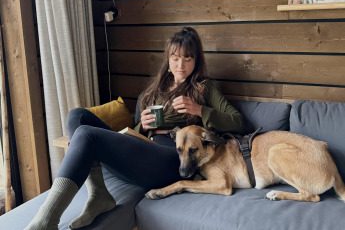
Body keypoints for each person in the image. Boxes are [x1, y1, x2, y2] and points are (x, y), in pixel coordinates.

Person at [25, 27, 243, 230]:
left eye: (187, 59)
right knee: (77, 116)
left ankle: (46, 221)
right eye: (175, 58)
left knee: (86, 135)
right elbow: (136, 133)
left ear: (196, 61)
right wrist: (143, 126)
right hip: (144, 153)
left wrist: (200, 110)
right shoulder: (155, 91)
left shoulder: (205, 88)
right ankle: (98, 195)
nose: (180, 65)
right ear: (168, 60)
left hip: (171, 161)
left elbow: (238, 121)